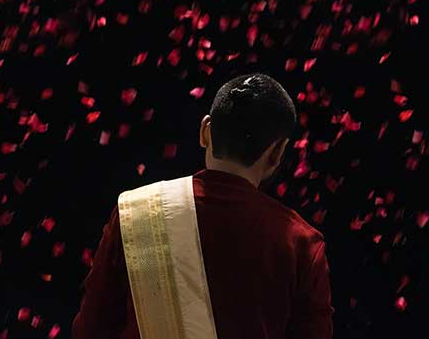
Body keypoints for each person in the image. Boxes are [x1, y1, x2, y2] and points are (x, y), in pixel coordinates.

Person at [72, 73, 333, 339]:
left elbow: (90, 329)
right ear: (277, 152)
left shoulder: (136, 212)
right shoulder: (301, 244)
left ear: (205, 131)